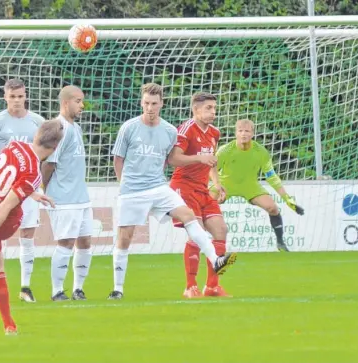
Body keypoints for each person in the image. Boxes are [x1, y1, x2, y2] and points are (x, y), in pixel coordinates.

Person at [107, 84, 237, 300]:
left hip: (158, 186)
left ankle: (215, 260)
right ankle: (118, 288)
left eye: (154, 104)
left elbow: (170, 159)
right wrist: (123, 185)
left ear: (161, 104)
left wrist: (214, 179)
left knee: (188, 217)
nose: (150, 107)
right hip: (132, 190)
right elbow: (118, 159)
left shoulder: (169, 130)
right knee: (124, 238)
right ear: (141, 103)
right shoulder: (128, 128)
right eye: (146, 103)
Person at [0, 120, 64, 335]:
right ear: (54, 148)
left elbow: (3, 177)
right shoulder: (34, 173)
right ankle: (8, 324)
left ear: (36, 134)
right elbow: (5, 206)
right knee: (17, 215)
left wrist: (32, 193)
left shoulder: (14, 145)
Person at [0, 78, 45, 303]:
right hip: (3, 189)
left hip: (28, 188)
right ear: (5, 97)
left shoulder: (37, 122)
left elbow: (42, 155)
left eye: (20, 96)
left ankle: (25, 287)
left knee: (27, 235)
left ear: (26, 96)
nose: (17, 101)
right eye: (12, 97)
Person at [168, 92, 230, 298]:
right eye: (208, 108)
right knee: (198, 232)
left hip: (203, 189)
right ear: (195, 109)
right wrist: (199, 158)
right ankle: (190, 286)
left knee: (220, 230)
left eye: (214, 108)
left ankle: (212, 286)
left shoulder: (214, 132)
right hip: (183, 186)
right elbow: (174, 159)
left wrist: (217, 183)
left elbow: (210, 161)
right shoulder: (186, 129)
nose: (213, 112)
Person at [211, 119, 305, 252]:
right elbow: (212, 169)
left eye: (247, 131)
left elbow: (271, 177)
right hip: (226, 184)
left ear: (252, 134)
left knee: (272, 208)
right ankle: (200, 242)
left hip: (250, 185)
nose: (243, 134)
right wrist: (217, 185)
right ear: (236, 133)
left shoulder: (261, 152)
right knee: (205, 204)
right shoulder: (225, 150)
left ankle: (280, 243)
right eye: (240, 131)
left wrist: (287, 199)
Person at [41, 85, 93, 301]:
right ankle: (57, 290)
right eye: (78, 101)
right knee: (66, 243)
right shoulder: (59, 128)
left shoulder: (76, 128)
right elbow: (48, 164)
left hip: (81, 197)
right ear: (65, 103)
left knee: (85, 243)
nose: (82, 105)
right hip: (63, 198)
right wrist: (43, 191)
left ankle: (78, 288)